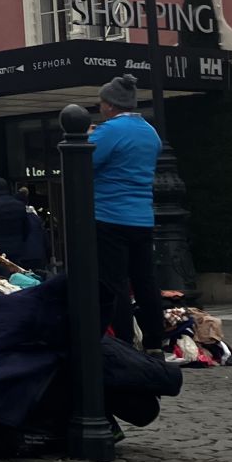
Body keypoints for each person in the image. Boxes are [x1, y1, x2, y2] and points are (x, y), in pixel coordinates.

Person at [90, 74, 164, 353]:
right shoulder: (150, 131)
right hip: (142, 217)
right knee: (145, 281)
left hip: (109, 215)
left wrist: (87, 137)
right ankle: (155, 341)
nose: (100, 107)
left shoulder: (109, 131)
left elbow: (84, 162)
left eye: (102, 102)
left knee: (116, 282)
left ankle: (123, 342)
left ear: (111, 104)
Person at [0, 178, 46, 270]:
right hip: (18, 247)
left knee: (2, 272)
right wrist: (21, 241)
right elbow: (26, 227)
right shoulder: (19, 205)